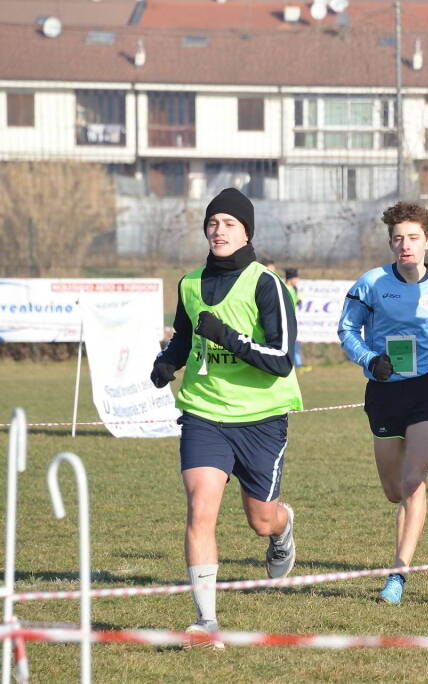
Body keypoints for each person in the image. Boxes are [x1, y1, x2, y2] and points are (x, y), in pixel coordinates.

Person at [150, 188, 302, 648]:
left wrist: (228, 336)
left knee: (261, 519)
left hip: (260, 417)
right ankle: (205, 621)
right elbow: (184, 337)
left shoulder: (265, 283)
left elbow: (280, 359)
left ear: (246, 232)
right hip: (204, 411)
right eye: (213, 223)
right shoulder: (190, 283)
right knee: (200, 510)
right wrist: (167, 363)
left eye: (229, 224)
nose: (219, 230)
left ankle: (283, 528)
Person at [339, 202, 428, 604]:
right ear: (390, 243)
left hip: (427, 391)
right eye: (398, 238)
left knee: (413, 482)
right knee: (393, 491)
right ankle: (418, 461)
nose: (405, 245)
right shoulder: (372, 283)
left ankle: (398, 574)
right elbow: (348, 330)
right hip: (384, 391)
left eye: (413, 237)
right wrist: (369, 360)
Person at [284, 268, 307, 373]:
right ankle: (292, 364)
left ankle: (297, 364)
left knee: (295, 341)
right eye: (296, 277)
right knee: (289, 341)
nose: (298, 280)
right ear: (290, 278)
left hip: (292, 318)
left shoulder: (294, 289)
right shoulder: (283, 288)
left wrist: (299, 301)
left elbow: (296, 301)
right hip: (285, 319)